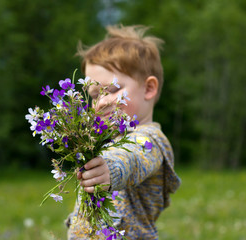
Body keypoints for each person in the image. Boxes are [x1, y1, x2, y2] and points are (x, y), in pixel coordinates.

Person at [66, 24, 181, 240]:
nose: (101, 103)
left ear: (149, 88)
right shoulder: (107, 140)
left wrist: (110, 169)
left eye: (113, 90)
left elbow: (132, 158)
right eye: (94, 95)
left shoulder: (151, 140)